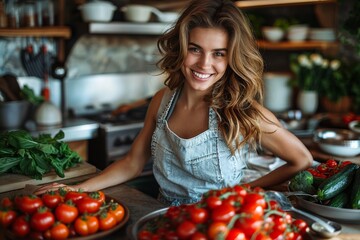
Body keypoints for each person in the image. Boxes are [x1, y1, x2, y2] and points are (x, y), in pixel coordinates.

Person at [35, 0, 313, 206]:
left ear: (232, 59)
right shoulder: (163, 100)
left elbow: (301, 160)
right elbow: (133, 162)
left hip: (222, 223)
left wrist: (247, 189)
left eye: (219, 54)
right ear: (181, 48)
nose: (204, 64)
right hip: (164, 219)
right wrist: (76, 189)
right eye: (195, 49)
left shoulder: (243, 112)